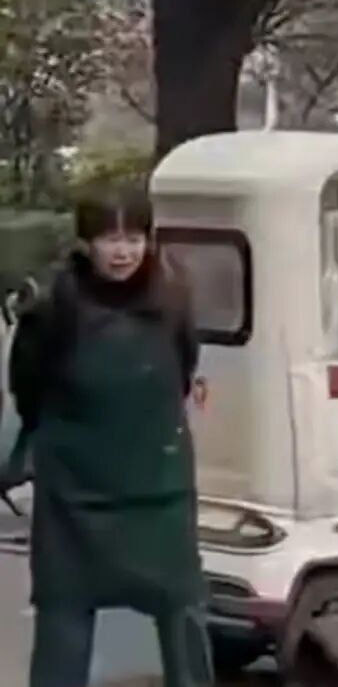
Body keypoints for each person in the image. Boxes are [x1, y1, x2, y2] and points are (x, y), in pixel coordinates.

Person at [7, 185, 214, 687]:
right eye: (108, 239)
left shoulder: (173, 296)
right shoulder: (53, 304)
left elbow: (183, 370)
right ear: (85, 243)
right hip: (75, 496)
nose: (122, 252)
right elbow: (26, 389)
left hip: (158, 490)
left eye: (133, 237)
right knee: (65, 619)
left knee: (183, 612)